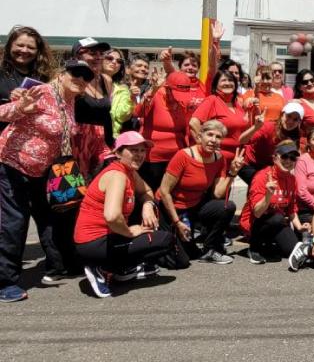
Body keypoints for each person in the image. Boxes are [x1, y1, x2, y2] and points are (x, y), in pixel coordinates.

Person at [0, 60, 93, 302]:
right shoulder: (40, 91)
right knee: (14, 223)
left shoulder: (69, 101)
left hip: (42, 171)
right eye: (76, 73)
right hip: (12, 164)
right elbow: (3, 114)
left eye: (87, 77)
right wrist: (21, 108)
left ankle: (58, 264)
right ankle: (5, 281)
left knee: (49, 218)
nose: (81, 79)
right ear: (61, 75)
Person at [74, 132, 173, 298]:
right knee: (164, 240)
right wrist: (129, 232)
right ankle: (101, 267)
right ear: (118, 153)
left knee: (160, 237)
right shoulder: (117, 175)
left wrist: (147, 206)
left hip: (104, 238)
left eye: (142, 150)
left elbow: (147, 191)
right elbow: (112, 216)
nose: (140, 155)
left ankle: (121, 269)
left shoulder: (129, 172)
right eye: (133, 150)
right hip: (94, 242)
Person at [157, 120, 244, 266]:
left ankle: (210, 249)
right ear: (199, 136)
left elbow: (217, 194)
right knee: (181, 261)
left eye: (218, 137)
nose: (213, 140)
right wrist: (177, 222)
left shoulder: (219, 158)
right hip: (170, 208)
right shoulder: (183, 156)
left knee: (227, 207)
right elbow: (164, 191)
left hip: (194, 207)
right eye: (210, 135)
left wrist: (232, 173)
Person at [239, 140, 310, 265]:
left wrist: (300, 227)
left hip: (276, 223)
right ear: (275, 157)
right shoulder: (262, 176)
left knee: (291, 250)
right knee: (277, 217)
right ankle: (254, 248)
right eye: (284, 156)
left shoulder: (292, 179)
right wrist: (268, 195)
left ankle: (267, 245)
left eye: (293, 158)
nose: (288, 161)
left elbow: (291, 208)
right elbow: (257, 213)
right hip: (254, 223)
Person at [136, 71, 195, 192]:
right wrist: (152, 91)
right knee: (151, 192)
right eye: (176, 94)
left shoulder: (183, 103)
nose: (179, 98)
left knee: (169, 193)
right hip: (152, 158)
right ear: (167, 89)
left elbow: (187, 128)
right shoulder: (155, 96)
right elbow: (138, 112)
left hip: (175, 158)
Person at [191, 69, 262, 166]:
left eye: (230, 80)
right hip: (217, 159)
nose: (228, 83)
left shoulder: (237, 104)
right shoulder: (212, 100)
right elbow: (193, 123)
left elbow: (241, 134)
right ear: (216, 84)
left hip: (238, 159)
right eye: (223, 80)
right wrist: (204, 144)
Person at [0, 25, 55, 132]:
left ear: (38, 51)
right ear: (10, 46)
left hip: (32, 141)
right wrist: (10, 100)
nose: (24, 50)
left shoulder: (45, 77)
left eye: (31, 47)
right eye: (20, 45)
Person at [72, 37, 114, 177]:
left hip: (103, 143)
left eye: (100, 54)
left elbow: (107, 115)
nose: (97, 57)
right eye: (92, 53)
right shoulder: (70, 79)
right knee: (78, 189)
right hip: (77, 144)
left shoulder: (106, 80)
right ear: (78, 55)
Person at [241, 102, 304, 185]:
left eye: (295, 119)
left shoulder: (297, 135)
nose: (290, 121)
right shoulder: (268, 127)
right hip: (250, 164)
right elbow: (242, 141)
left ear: (299, 122)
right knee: (261, 183)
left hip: (270, 167)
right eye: (288, 116)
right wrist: (255, 128)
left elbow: (295, 157)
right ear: (282, 115)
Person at [102, 48, 133, 138]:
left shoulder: (123, 90)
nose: (114, 62)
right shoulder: (87, 83)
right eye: (109, 58)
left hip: (111, 137)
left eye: (119, 61)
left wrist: (132, 99)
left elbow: (121, 117)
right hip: (86, 134)